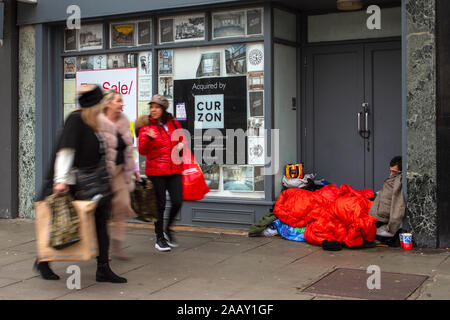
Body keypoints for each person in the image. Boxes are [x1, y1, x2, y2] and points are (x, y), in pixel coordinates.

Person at [34, 84, 127, 283]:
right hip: (72, 183)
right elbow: (66, 151)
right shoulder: (76, 120)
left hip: (93, 182)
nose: (105, 105)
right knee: (59, 224)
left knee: (101, 222)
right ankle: (43, 260)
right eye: (102, 102)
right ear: (95, 104)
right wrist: (60, 182)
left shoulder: (94, 122)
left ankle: (103, 269)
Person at [135, 94, 185, 252]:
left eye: (156, 107)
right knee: (160, 205)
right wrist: (149, 139)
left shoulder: (173, 123)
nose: (153, 110)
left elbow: (182, 139)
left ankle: (168, 229)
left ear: (163, 109)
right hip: (156, 171)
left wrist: (182, 146)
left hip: (174, 168)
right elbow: (142, 150)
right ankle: (159, 238)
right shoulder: (146, 126)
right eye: (151, 107)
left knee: (177, 201)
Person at [98, 89, 139, 260]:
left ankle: (117, 244)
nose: (122, 104)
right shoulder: (98, 122)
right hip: (103, 174)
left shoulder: (124, 120)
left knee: (122, 207)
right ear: (108, 103)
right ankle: (102, 246)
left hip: (121, 172)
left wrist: (135, 170)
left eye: (122, 101)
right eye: (118, 101)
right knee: (103, 211)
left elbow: (129, 150)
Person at [369, 156, 406, 238]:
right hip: (376, 215)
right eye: (390, 171)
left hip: (382, 219)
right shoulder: (394, 178)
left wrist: (391, 229)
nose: (391, 174)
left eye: (394, 171)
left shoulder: (398, 180)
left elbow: (398, 205)